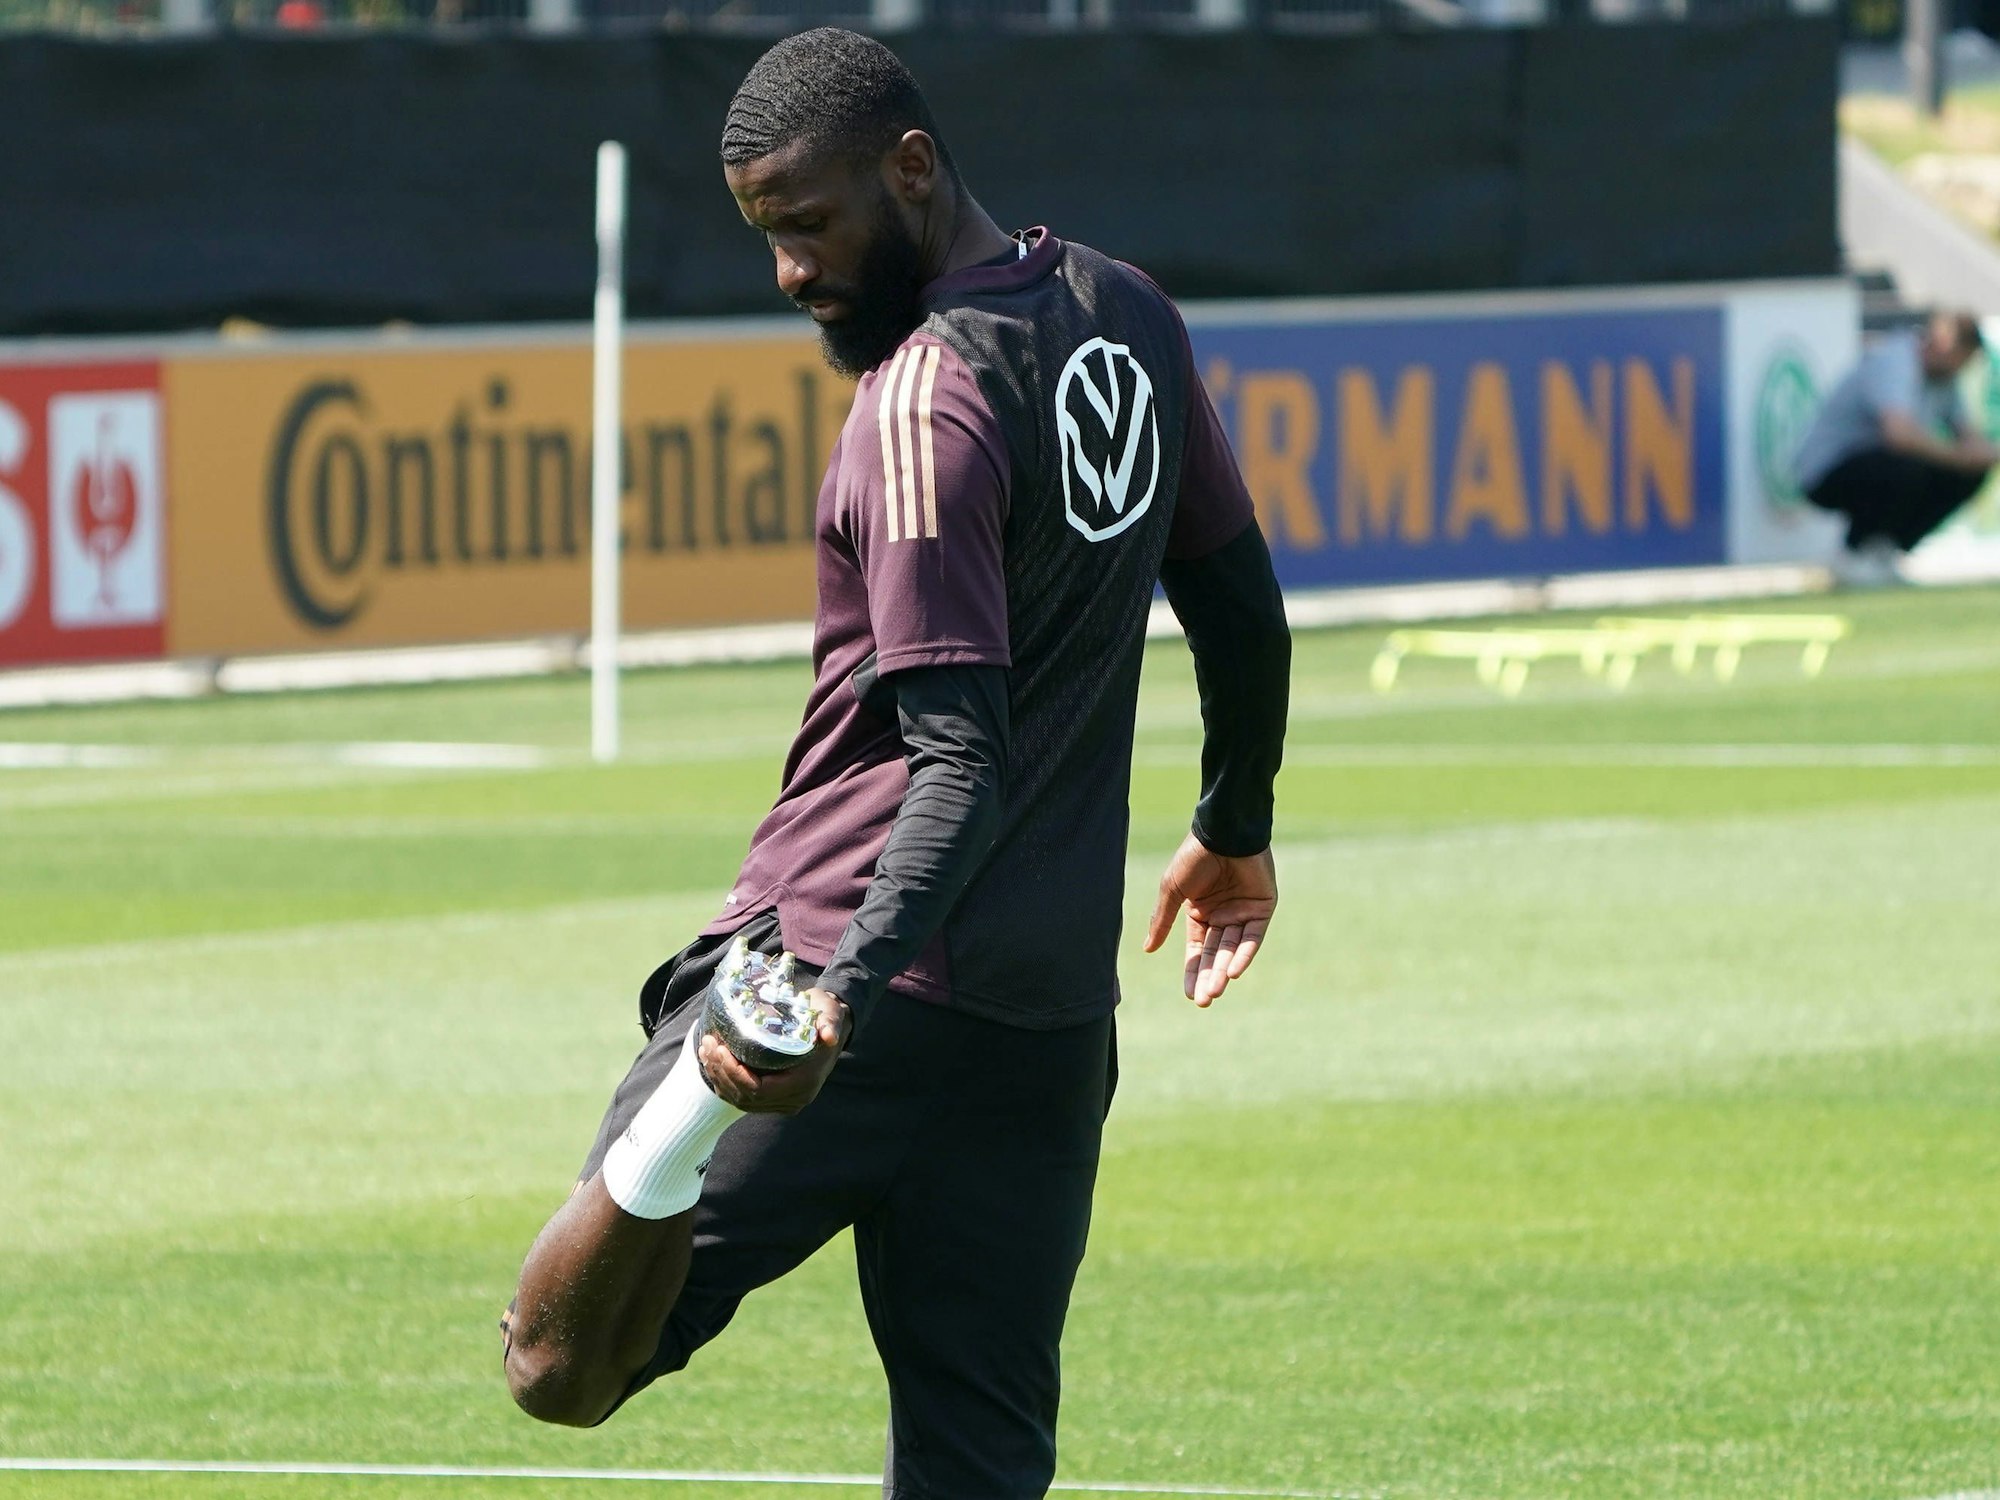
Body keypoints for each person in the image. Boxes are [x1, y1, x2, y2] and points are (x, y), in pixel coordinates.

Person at [499, 27, 1292, 1496]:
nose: (791, 271)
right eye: (768, 236)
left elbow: (957, 768)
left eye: (808, 224)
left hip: (847, 979)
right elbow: (1241, 609)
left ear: (911, 169)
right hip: (1042, 1027)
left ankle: (690, 1108)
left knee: (559, 1366)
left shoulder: (923, 404)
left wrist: (822, 1009)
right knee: (977, 1468)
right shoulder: (1129, 316)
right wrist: (1235, 821)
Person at [1794, 309, 1998, 586]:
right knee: (1906, 464)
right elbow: (1898, 435)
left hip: (1879, 467)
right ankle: (1854, 552)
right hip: (1826, 471)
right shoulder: (1896, 361)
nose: (1962, 368)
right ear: (1944, 343)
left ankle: (1886, 549)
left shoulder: (1945, 380)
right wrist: (1959, 457)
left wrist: (1982, 456)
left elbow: (1969, 438)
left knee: (1965, 475)